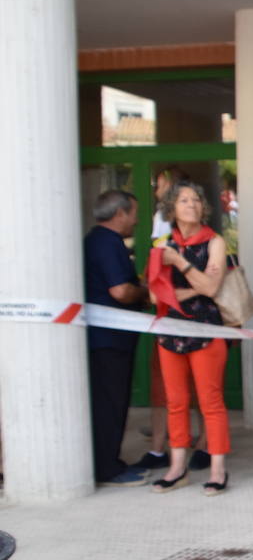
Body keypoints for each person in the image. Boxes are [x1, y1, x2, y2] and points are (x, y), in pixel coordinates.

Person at [145, 180, 230, 496]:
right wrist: (197, 285)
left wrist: (180, 264)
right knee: (175, 402)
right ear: (172, 208)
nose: (191, 205)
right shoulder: (161, 244)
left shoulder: (214, 241)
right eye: (183, 200)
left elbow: (212, 289)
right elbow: (156, 297)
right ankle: (177, 467)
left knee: (211, 401)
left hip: (207, 330)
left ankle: (218, 470)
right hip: (170, 332)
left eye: (196, 199)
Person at [83, 190, 150, 487]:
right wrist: (145, 291)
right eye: (133, 213)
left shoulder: (94, 240)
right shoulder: (108, 244)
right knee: (110, 403)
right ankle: (108, 468)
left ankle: (108, 462)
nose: (136, 221)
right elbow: (121, 290)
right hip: (109, 340)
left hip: (104, 338)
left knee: (105, 402)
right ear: (120, 213)